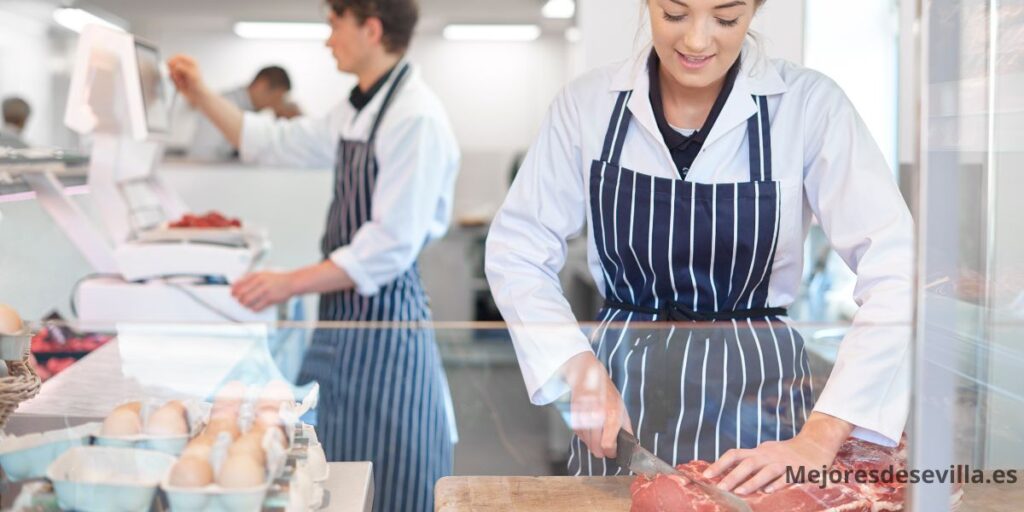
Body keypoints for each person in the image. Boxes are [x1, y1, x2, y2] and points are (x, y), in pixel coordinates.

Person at [485, 0, 912, 496]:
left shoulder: (809, 106)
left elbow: (897, 268)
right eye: (674, 14)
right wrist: (575, 366)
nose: (696, 40)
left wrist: (821, 436)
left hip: (762, 405)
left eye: (726, 19)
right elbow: (517, 249)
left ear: (755, 10)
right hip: (623, 395)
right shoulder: (587, 105)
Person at [167, 1, 459, 510]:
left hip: (386, 319)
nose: (327, 41)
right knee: (341, 468)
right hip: (342, 319)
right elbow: (272, 141)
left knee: (397, 472)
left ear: (370, 29)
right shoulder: (358, 109)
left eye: (333, 26)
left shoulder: (416, 117)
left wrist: (288, 282)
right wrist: (200, 95)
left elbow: (387, 247)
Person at [178, 66, 293, 160]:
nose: (274, 105)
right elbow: (202, 154)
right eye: (277, 98)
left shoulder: (249, 110)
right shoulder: (224, 105)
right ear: (262, 85)